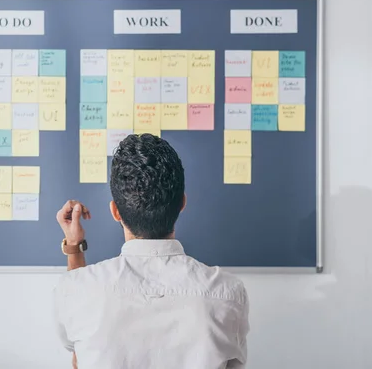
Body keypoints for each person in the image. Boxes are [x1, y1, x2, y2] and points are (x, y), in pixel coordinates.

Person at [54, 134, 249, 369]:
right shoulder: (227, 293)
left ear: (115, 211)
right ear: (182, 203)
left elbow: (77, 348)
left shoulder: (76, 289)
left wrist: (74, 248)